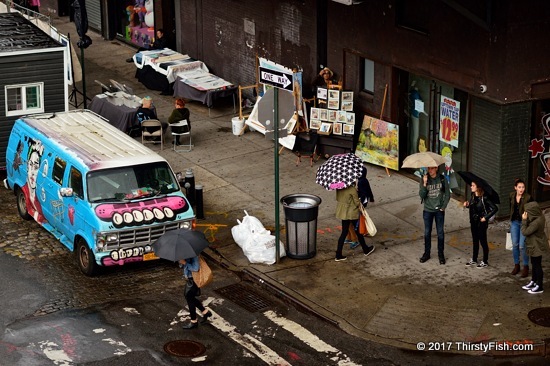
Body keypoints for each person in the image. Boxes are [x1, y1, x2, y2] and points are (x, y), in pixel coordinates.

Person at [419, 166, 450, 264]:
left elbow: (447, 194)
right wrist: (424, 184)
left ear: (436, 168)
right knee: (427, 233)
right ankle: (426, 253)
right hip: (428, 210)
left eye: (432, 168)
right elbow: (422, 195)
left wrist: (443, 206)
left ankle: (441, 255)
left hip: (439, 211)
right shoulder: (424, 179)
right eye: (429, 169)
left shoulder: (442, 179)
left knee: (440, 233)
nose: (430, 170)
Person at [335, 184, 375, 261]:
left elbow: (337, 198)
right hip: (351, 213)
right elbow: (357, 203)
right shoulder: (352, 189)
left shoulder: (338, 187)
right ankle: (366, 249)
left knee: (344, 232)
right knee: (358, 230)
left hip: (343, 212)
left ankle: (338, 254)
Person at [463, 181, 498, 268]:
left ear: (478, 187)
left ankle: (485, 261)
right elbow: (473, 207)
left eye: (473, 185)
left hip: (481, 222)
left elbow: (495, 208)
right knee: (475, 241)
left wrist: (485, 217)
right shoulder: (472, 196)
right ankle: (474, 259)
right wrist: (467, 205)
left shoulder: (484, 198)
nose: (471, 187)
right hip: (473, 221)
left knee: (483, 241)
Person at [521, 202, 548, 294]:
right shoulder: (538, 217)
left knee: (537, 265)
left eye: (527, 212)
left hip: (536, 245)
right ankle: (534, 281)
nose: (526, 213)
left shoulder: (536, 222)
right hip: (534, 244)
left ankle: (539, 286)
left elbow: (525, 232)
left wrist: (524, 221)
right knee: (534, 263)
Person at [179, 256, 212, 329]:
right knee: (190, 298)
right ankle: (205, 312)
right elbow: (183, 266)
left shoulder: (194, 255)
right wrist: (181, 262)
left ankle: (194, 321)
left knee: (189, 298)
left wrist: (184, 262)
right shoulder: (185, 253)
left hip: (194, 280)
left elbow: (195, 268)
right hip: (190, 279)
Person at [347, 167, 375, 249]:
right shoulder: (364, 180)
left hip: (361, 202)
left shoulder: (361, 182)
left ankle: (363, 231)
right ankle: (362, 231)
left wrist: (357, 194)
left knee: (357, 219)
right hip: (364, 201)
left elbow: (363, 193)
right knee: (359, 218)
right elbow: (369, 190)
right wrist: (371, 198)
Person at [509, 179, 532, 277]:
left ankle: (526, 266)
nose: (521, 189)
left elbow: (532, 210)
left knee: (522, 246)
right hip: (514, 222)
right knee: (515, 244)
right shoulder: (512, 196)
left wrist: (527, 221)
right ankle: (516, 265)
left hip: (524, 223)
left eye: (523, 187)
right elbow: (510, 207)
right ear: (515, 188)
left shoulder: (528, 197)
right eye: (519, 187)